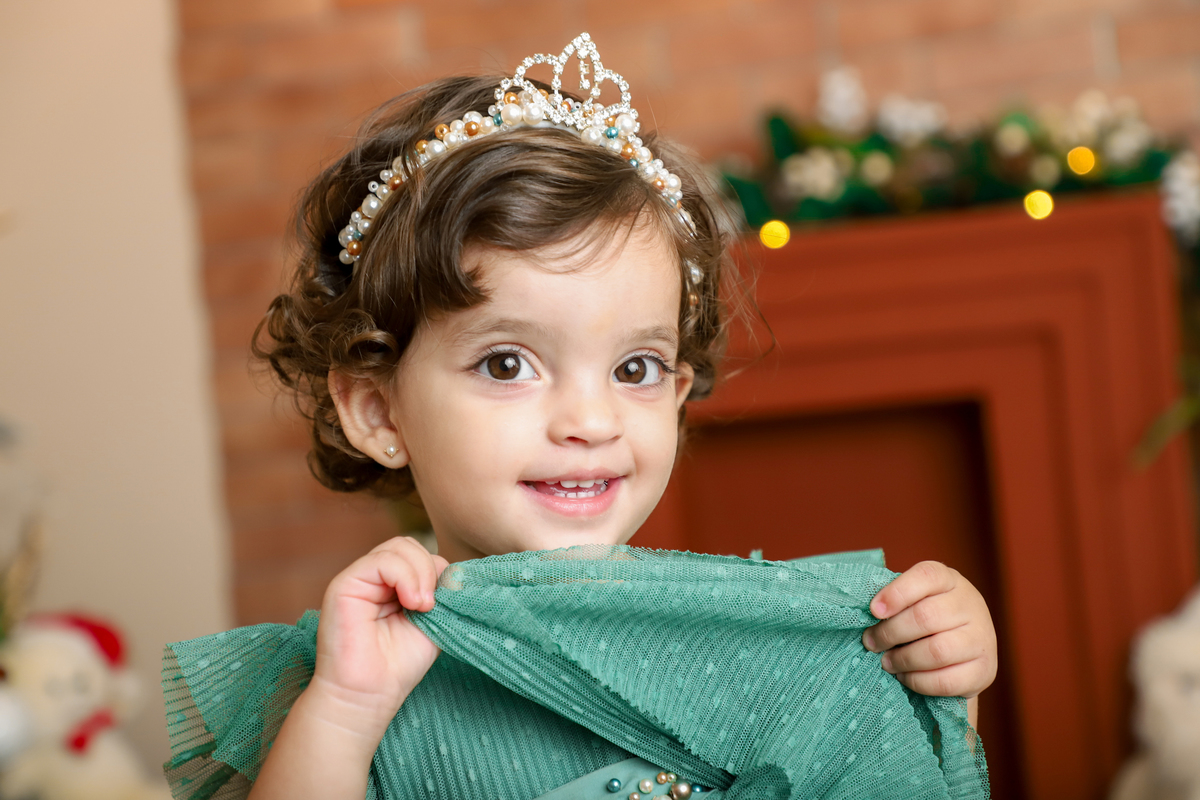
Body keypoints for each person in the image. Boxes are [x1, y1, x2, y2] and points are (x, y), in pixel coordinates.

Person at [162, 34, 997, 800]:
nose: (590, 421)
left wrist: (937, 680)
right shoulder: (354, 674)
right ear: (379, 410)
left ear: (677, 398)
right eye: (507, 364)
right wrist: (346, 710)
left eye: (634, 370)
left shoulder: (762, 626)